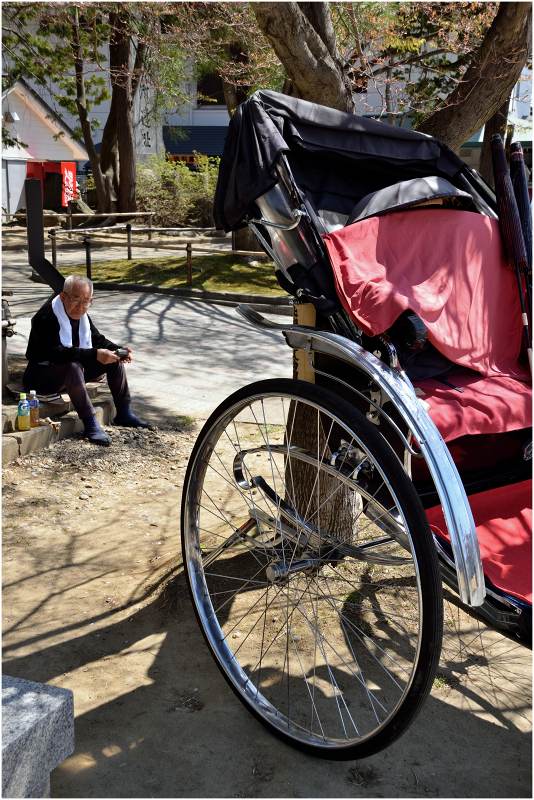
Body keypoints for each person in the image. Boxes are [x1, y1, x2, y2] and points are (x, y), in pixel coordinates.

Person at [23, 275, 149, 446]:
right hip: (42, 377)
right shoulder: (45, 317)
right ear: (63, 296)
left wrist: (118, 350)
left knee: (113, 360)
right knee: (73, 366)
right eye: (76, 299)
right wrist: (94, 354)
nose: (81, 306)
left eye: (86, 301)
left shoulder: (83, 316)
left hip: (72, 374)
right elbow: (56, 353)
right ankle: (90, 423)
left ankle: (124, 412)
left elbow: (97, 339)